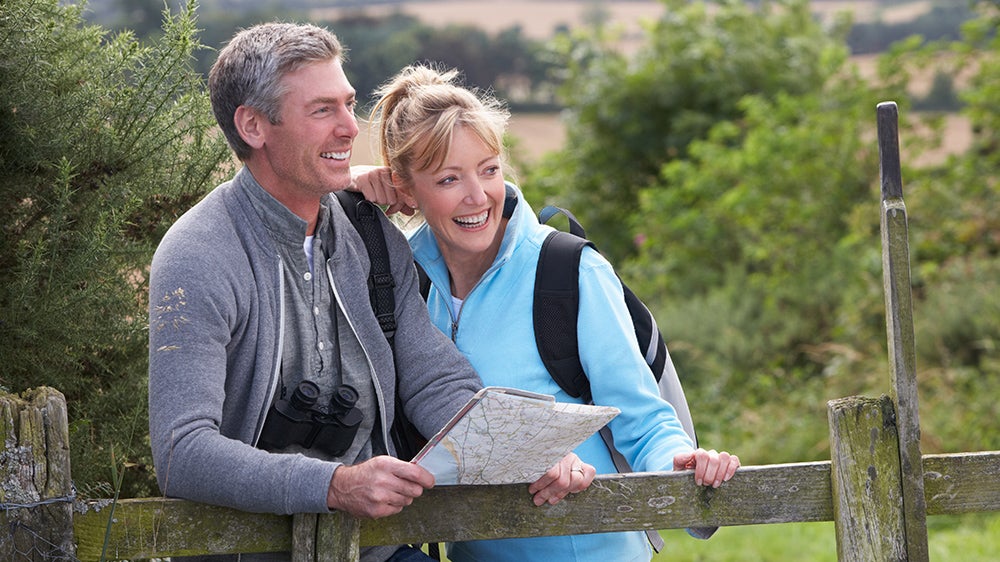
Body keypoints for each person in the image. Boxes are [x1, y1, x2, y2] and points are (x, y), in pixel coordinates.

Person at [147, 24, 593, 562]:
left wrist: (523, 450)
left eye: (349, 104)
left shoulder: (370, 234)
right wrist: (335, 485)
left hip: (377, 549)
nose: (349, 128)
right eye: (322, 111)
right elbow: (182, 452)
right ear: (253, 126)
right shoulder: (198, 254)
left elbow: (434, 380)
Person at [355, 64, 741, 562]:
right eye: (449, 179)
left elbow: (643, 420)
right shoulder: (401, 279)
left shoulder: (569, 272)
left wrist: (679, 460)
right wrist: (348, 185)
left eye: (489, 169)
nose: (478, 196)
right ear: (405, 190)